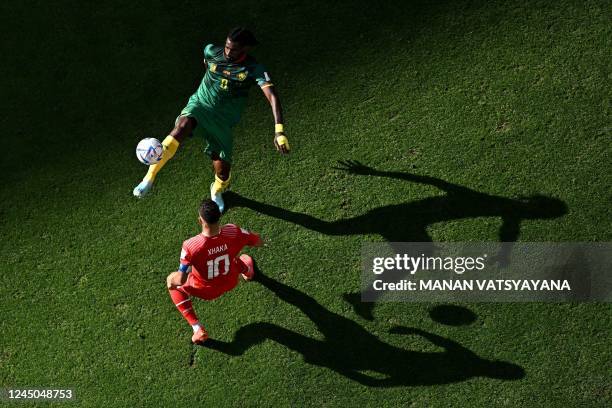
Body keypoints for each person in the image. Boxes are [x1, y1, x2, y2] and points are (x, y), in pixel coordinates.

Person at [134, 27, 289, 211]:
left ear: (246, 49)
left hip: (222, 122)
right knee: (182, 125)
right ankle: (149, 178)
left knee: (222, 171)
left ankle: (216, 191)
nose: (228, 52)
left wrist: (279, 131)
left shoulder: (254, 68)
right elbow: (207, 62)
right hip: (200, 105)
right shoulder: (211, 51)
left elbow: (272, 96)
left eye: (234, 49)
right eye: (227, 47)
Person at [166, 198, 263, 344]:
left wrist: (170, 280)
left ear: (200, 220)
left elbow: (180, 279)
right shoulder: (232, 231)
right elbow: (256, 240)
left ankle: (197, 328)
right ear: (219, 217)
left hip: (206, 290)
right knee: (233, 258)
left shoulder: (190, 246)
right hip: (230, 280)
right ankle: (248, 272)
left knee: (173, 284)